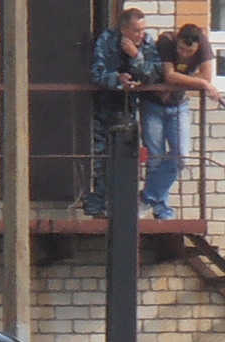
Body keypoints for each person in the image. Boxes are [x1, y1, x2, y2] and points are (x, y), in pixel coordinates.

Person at [141, 23, 222, 220]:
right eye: (182, 49)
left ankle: (146, 198)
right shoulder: (167, 41)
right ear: (177, 40)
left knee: (181, 157)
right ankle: (161, 210)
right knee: (155, 158)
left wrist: (183, 80)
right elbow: (169, 75)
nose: (185, 54)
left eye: (190, 51)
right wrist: (200, 82)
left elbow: (207, 74)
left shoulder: (204, 46)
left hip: (179, 106)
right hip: (153, 104)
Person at [86, 8, 158, 217]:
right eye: (136, 31)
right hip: (106, 107)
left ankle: (125, 205)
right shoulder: (107, 40)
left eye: (143, 30)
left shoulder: (146, 43)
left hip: (133, 109)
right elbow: (96, 74)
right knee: (102, 158)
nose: (141, 35)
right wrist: (117, 80)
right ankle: (100, 205)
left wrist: (136, 57)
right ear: (124, 29)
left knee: (129, 158)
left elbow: (154, 74)